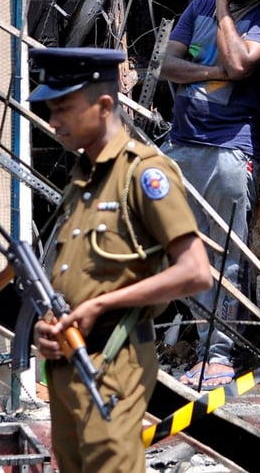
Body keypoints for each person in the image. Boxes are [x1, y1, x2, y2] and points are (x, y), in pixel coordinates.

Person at [29, 47, 211, 473]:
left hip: (115, 361)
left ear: (104, 105)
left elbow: (195, 270)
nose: (53, 121)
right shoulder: (82, 179)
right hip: (66, 362)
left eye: (64, 108)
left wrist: (99, 306)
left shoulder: (143, 174)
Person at [159, 0, 260, 388]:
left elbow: (243, 64)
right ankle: (198, 345)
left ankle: (221, 356)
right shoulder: (196, 9)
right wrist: (213, 71)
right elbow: (166, 66)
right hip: (182, 144)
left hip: (229, 150)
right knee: (175, 250)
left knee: (224, 256)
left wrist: (226, 8)